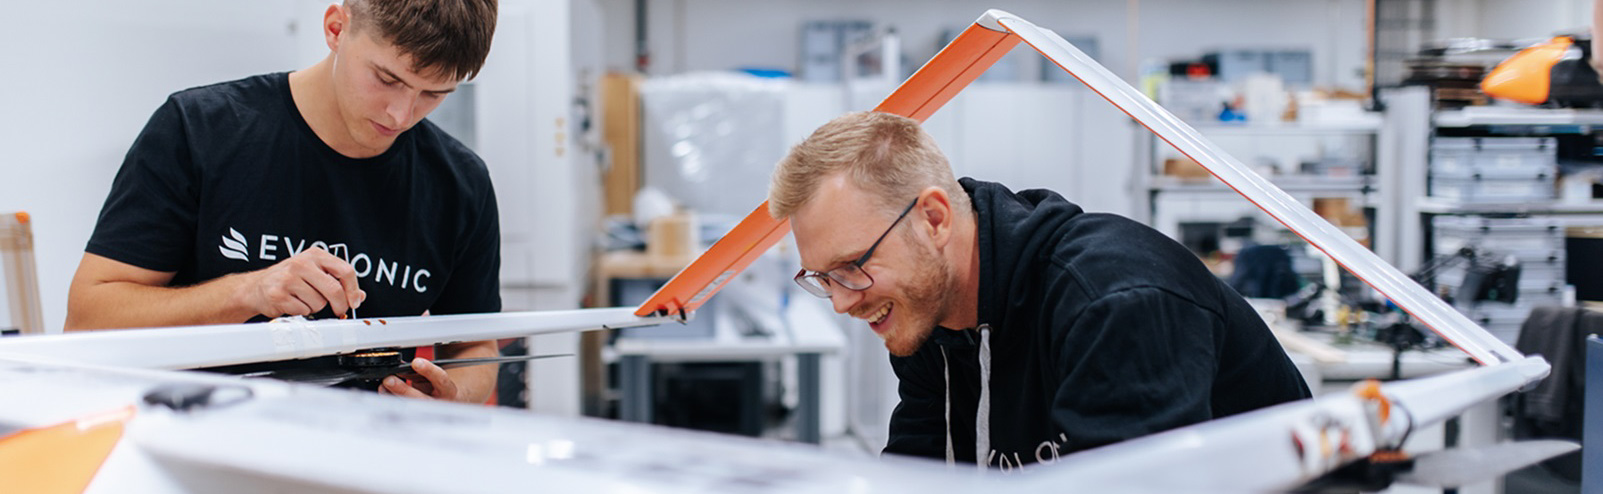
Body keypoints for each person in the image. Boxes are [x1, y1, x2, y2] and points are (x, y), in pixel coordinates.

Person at [769, 111, 1311, 469]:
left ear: (933, 219)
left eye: (852, 266)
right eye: (823, 278)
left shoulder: (1114, 302)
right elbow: (918, 474)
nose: (842, 301)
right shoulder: (928, 320)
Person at [65, 0, 502, 404]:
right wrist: (248, 292)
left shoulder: (461, 184)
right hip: (201, 454)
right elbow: (89, 320)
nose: (400, 115)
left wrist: (454, 396)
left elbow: (476, 345)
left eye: (435, 93)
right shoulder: (200, 131)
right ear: (336, 27)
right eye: (387, 79)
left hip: (364, 463)